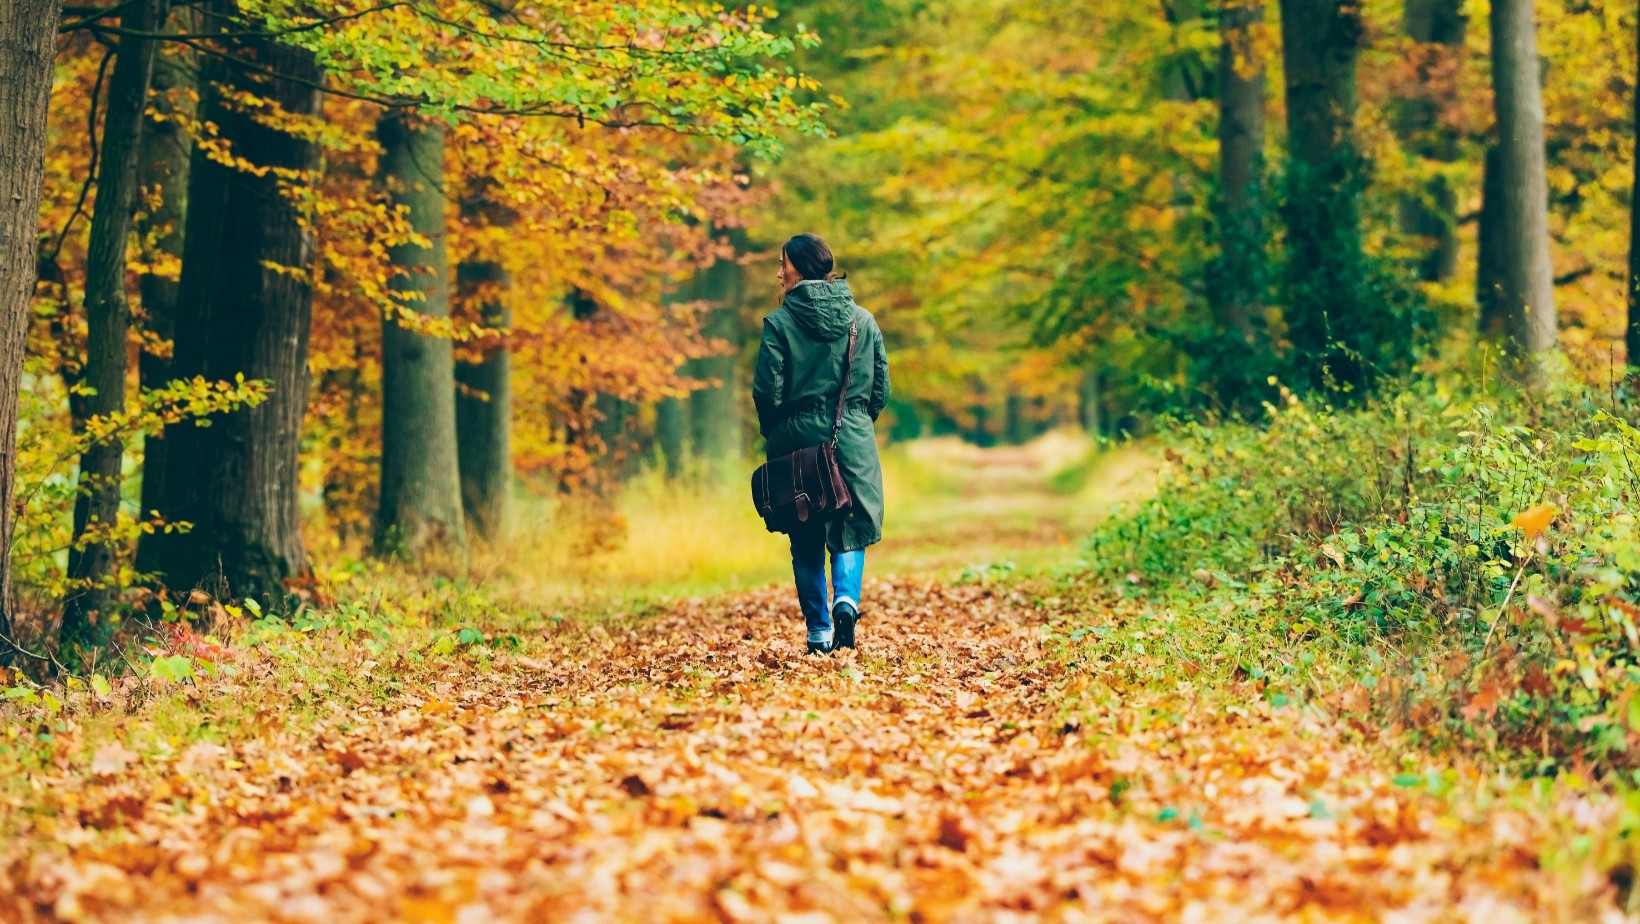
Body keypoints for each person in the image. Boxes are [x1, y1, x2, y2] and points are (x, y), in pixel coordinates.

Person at [753, 234, 890, 655]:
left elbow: (766, 392)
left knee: (805, 531)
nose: (778, 272)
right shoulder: (863, 321)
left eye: (783, 265)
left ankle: (819, 632)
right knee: (850, 527)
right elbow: (880, 386)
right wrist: (857, 422)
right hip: (851, 437)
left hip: (796, 443)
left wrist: (777, 430)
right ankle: (846, 602)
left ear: (800, 267)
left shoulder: (779, 324)